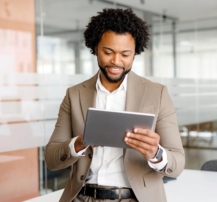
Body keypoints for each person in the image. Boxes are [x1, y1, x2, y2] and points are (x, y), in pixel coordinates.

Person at [44, 8, 185, 202]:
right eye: (108, 52)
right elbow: (51, 159)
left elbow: (177, 165)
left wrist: (156, 153)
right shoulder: (74, 94)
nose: (116, 61)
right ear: (95, 48)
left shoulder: (157, 94)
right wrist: (80, 142)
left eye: (125, 54)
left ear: (136, 52)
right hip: (82, 196)